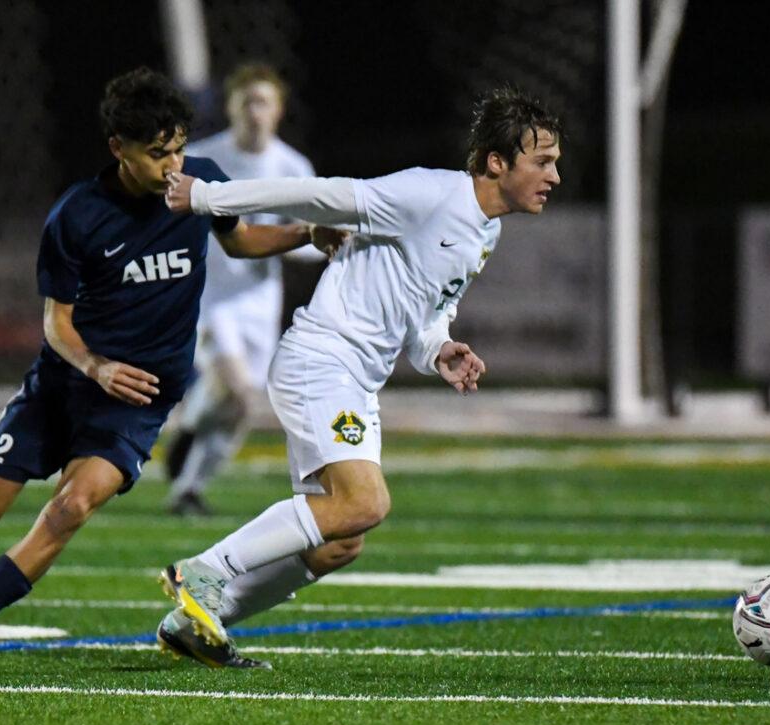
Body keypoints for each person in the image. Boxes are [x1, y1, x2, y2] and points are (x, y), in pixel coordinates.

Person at [0, 66, 343, 670]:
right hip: (66, 384)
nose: (173, 166)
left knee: (70, 509)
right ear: (118, 148)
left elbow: (240, 240)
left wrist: (306, 233)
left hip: (139, 401)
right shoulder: (76, 215)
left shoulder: (201, 184)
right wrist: (97, 367)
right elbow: (56, 323)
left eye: (179, 150)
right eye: (158, 154)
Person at [156, 85, 562, 663]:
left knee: (340, 542)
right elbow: (318, 195)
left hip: (356, 379)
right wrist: (208, 196)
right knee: (365, 502)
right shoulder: (429, 193)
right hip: (322, 360)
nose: (554, 176)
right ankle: (203, 571)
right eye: (542, 161)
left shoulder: (485, 230)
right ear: (498, 162)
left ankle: (197, 623)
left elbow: (428, 312)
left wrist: (439, 349)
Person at [165, 63, 325, 517]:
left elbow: (310, 236)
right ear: (231, 108)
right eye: (246, 102)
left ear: (278, 110)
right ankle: (190, 431)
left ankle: (188, 486)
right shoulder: (202, 161)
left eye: (263, 102)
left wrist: (312, 243)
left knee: (240, 404)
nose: (255, 112)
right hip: (208, 298)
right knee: (234, 388)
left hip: (259, 301)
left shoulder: (292, 167)